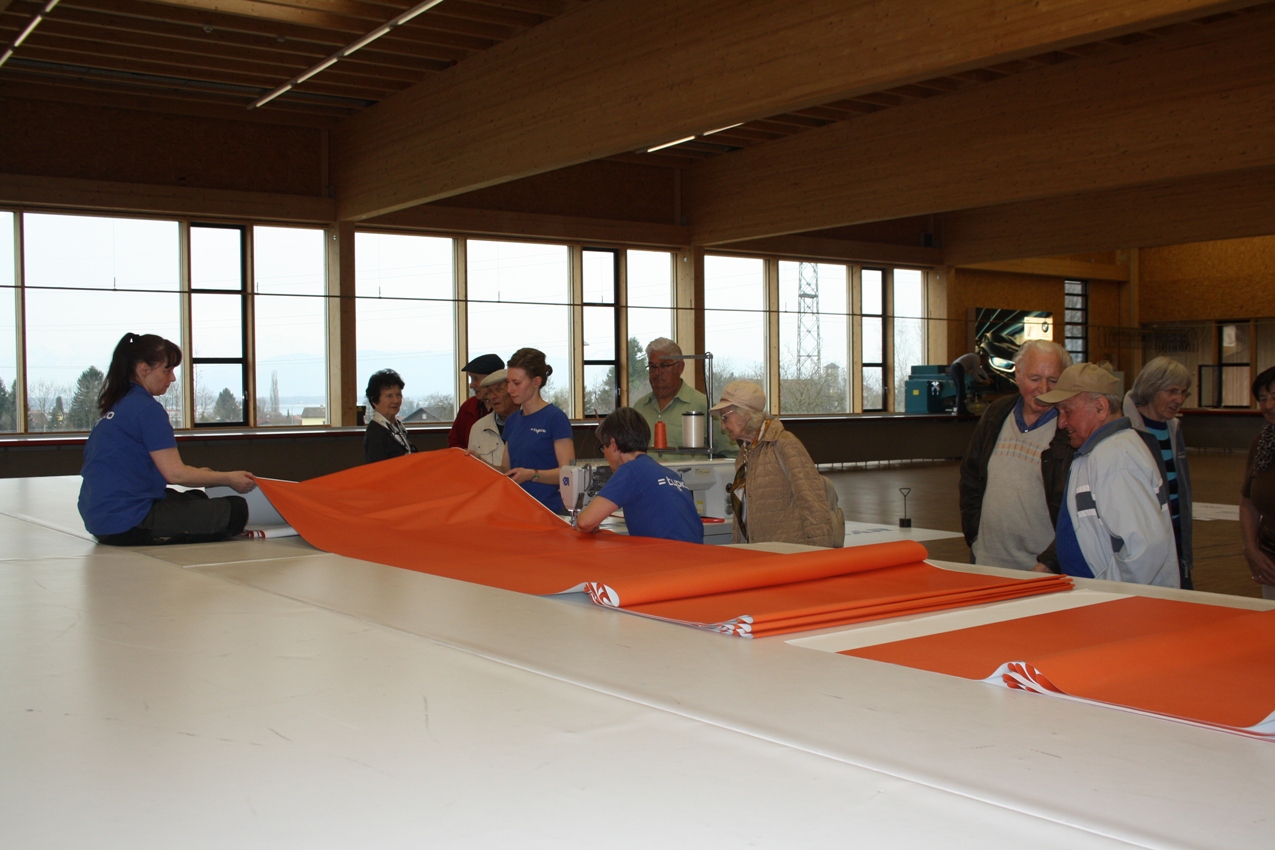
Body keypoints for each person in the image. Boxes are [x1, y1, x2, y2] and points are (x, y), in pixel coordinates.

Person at [77, 332, 255, 545]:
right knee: (236, 509)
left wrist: (204, 474)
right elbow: (175, 474)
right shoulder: (147, 409)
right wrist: (228, 478)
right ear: (144, 369)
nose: (172, 378)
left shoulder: (117, 405)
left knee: (196, 497)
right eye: (167, 370)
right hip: (127, 523)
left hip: (100, 518)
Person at [1039, 362, 1178, 587]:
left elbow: (1144, 548)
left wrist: (1104, 591)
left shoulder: (1116, 458)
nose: (1062, 422)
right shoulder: (1101, 451)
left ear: (1100, 408)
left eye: (1067, 411)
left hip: (1116, 601)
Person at [959, 340, 1074, 573]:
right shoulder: (996, 414)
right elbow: (971, 478)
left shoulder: (1069, 432)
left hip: (1039, 572)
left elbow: (1074, 512)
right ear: (1018, 374)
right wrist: (975, 538)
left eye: (1053, 380)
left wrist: (1049, 562)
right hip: (986, 564)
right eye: (1035, 378)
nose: (1043, 389)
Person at [711, 380, 840, 548]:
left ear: (746, 414)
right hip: (759, 554)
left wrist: (819, 553)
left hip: (790, 555)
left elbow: (813, 503)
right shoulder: (744, 454)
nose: (723, 426)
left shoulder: (785, 444)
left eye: (725, 417)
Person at [576, 407, 703, 543]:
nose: (604, 454)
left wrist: (591, 524)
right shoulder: (670, 474)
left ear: (613, 444)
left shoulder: (631, 470)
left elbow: (584, 522)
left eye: (603, 448)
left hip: (668, 554)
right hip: (696, 552)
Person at [1123, 356, 1195, 589]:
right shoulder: (1126, 430)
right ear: (1151, 388)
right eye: (1172, 391)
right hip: (1142, 548)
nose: (1179, 400)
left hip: (1176, 541)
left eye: (1183, 393)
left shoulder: (1174, 428)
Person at [631, 337, 736, 459]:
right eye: (652, 367)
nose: (657, 372)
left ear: (680, 367)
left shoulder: (704, 407)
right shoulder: (639, 409)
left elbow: (731, 455)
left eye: (664, 365)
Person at [501, 348, 575, 513]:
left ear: (536, 382)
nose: (509, 389)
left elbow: (568, 473)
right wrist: (479, 462)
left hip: (549, 510)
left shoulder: (555, 418)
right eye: (508, 382)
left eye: (516, 383)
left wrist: (532, 475)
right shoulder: (512, 421)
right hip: (517, 508)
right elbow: (505, 469)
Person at [1241, 366, 1275, 601]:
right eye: (1262, 399)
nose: (1268, 405)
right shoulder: (1261, 445)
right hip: (1270, 563)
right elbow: (1248, 504)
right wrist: (1251, 549)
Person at [448, 353, 505, 449]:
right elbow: (455, 443)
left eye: (475, 379)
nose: (471, 385)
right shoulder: (468, 407)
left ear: (492, 379)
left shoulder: (509, 407)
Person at [363, 368, 418, 464]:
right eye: (389, 396)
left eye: (398, 395)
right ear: (374, 401)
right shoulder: (376, 432)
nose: (396, 400)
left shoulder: (397, 426)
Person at [468, 369, 516, 467]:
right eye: (489, 392)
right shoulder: (478, 428)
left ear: (514, 391)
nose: (493, 397)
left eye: (499, 390)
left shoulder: (534, 423)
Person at [949, 351, 991, 416]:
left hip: (953, 367)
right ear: (983, 359)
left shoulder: (975, 357)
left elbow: (980, 369)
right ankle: (961, 409)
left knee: (959, 389)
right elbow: (975, 375)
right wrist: (983, 381)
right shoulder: (977, 360)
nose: (983, 364)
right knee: (961, 389)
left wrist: (987, 377)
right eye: (985, 362)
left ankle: (960, 408)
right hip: (958, 368)